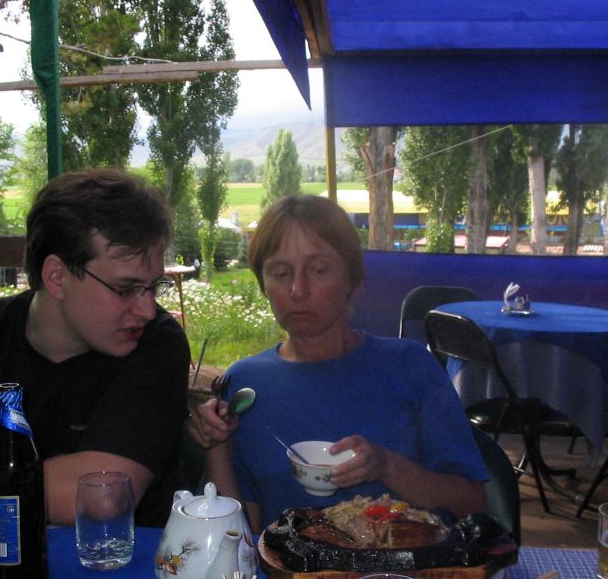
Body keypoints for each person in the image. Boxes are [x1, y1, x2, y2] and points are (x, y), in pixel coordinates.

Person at [188, 194, 488, 533]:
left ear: (353, 279)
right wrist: (217, 444)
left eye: (318, 270)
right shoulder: (245, 386)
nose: (297, 290)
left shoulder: (410, 367)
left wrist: (387, 465)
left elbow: (473, 505)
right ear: (263, 284)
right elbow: (240, 536)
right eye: (280, 273)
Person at [0, 168, 190, 527]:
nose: (148, 309)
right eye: (126, 289)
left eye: (153, 287)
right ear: (57, 276)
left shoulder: (157, 344)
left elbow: (104, 495)